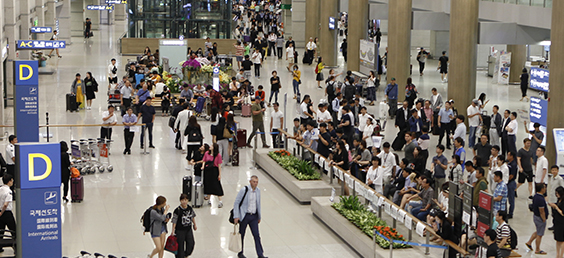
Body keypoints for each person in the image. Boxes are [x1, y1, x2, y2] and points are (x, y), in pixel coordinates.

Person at [233, 176, 267, 258]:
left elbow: (258, 204)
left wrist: (259, 216)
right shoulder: (244, 190)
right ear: (250, 181)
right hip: (245, 215)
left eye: (256, 182)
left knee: (256, 235)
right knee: (242, 234)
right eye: (254, 181)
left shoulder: (258, 191)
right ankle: (240, 253)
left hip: (254, 216)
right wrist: (236, 215)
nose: (255, 183)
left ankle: (260, 254)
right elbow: (236, 202)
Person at [171, 194, 197, 258]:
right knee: (180, 246)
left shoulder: (190, 208)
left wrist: (195, 224)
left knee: (191, 243)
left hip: (188, 229)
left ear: (188, 200)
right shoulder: (177, 210)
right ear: (180, 201)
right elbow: (174, 221)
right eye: (182, 200)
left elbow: (192, 216)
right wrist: (173, 231)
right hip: (180, 230)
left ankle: (186, 254)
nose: (184, 202)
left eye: (185, 200)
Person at [526, 183, 548, 255]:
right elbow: (541, 210)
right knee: (540, 234)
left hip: (536, 216)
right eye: (544, 188)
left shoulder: (536, 196)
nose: (545, 189)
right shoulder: (540, 199)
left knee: (538, 231)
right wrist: (544, 218)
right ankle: (537, 249)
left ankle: (529, 242)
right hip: (539, 218)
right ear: (542, 189)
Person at [202, 143, 224, 207]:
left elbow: (219, 165)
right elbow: (204, 160)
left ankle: (220, 201)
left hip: (214, 171)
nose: (210, 146)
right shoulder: (206, 153)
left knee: (216, 185)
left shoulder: (218, 155)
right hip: (207, 171)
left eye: (211, 146)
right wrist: (203, 166)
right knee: (208, 185)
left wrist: (219, 174)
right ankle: (209, 200)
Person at [0, 174, 16, 249]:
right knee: (14, 230)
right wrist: (2, 212)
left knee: (1, 231)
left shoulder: (0, 189)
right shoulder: (9, 191)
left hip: (0, 212)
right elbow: (6, 204)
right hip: (6, 213)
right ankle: (16, 247)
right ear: (9, 181)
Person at [549, 165, 564, 230]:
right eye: (553, 170)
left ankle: (556, 226)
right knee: (553, 213)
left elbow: (562, 188)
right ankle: (554, 225)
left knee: (557, 213)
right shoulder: (551, 177)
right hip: (552, 198)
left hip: (557, 199)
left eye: (555, 170)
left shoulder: (560, 179)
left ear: (558, 171)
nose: (554, 171)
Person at [552, 186, 564, 258]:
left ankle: (561, 255)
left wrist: (556, 207)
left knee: (562, 240)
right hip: (557, 222)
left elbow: (562, 213)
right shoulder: (558, 200)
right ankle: (557, 254)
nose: (556, 195)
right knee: (557, 239)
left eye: (557, 193)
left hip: (562, 223)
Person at [506, 152, 518, 218]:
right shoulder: (509, 163)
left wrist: (506, 180)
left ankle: (511, 213)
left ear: (512, 156)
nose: (507, 156)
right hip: (508, 182)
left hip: (511, 183)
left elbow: (511, 175)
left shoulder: (513, 164)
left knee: (511, 199)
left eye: (508, 155)